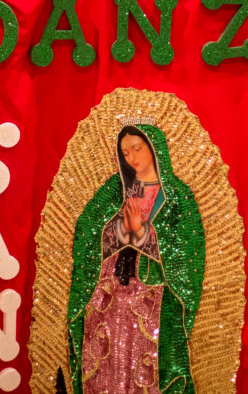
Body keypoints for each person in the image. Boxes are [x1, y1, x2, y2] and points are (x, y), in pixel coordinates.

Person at [66, 123, 205, 392]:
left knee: (143, 369)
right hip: (107, 297)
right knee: (108, 365)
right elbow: (87, 232)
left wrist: (143, 234)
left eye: (137, 149)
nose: (131, 158)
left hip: (152, 302)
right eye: (125, 152)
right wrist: (118, 231)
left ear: (155, 150)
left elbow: (188, 256)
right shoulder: (113, 191)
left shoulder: (177, 197)